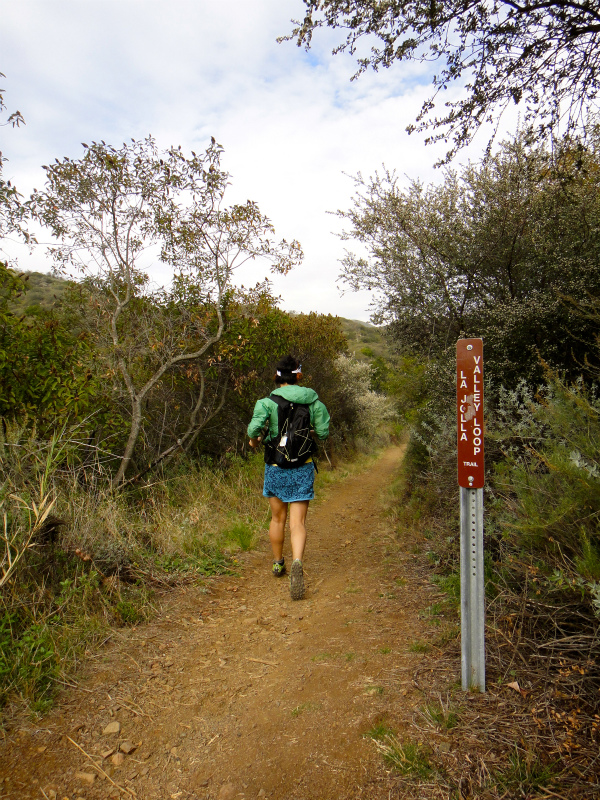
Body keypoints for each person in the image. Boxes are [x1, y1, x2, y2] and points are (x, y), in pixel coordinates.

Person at [247, 355, 330, 600]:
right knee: (298, 523)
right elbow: (324, 433)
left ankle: (277, 562)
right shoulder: (313, 401)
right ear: (298, 376)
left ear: (277, 377)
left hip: (275, 465)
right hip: (302, 466)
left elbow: (253, 430)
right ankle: (297, 562)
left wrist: (255, 441)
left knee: (277, 518)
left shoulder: (266, 402)